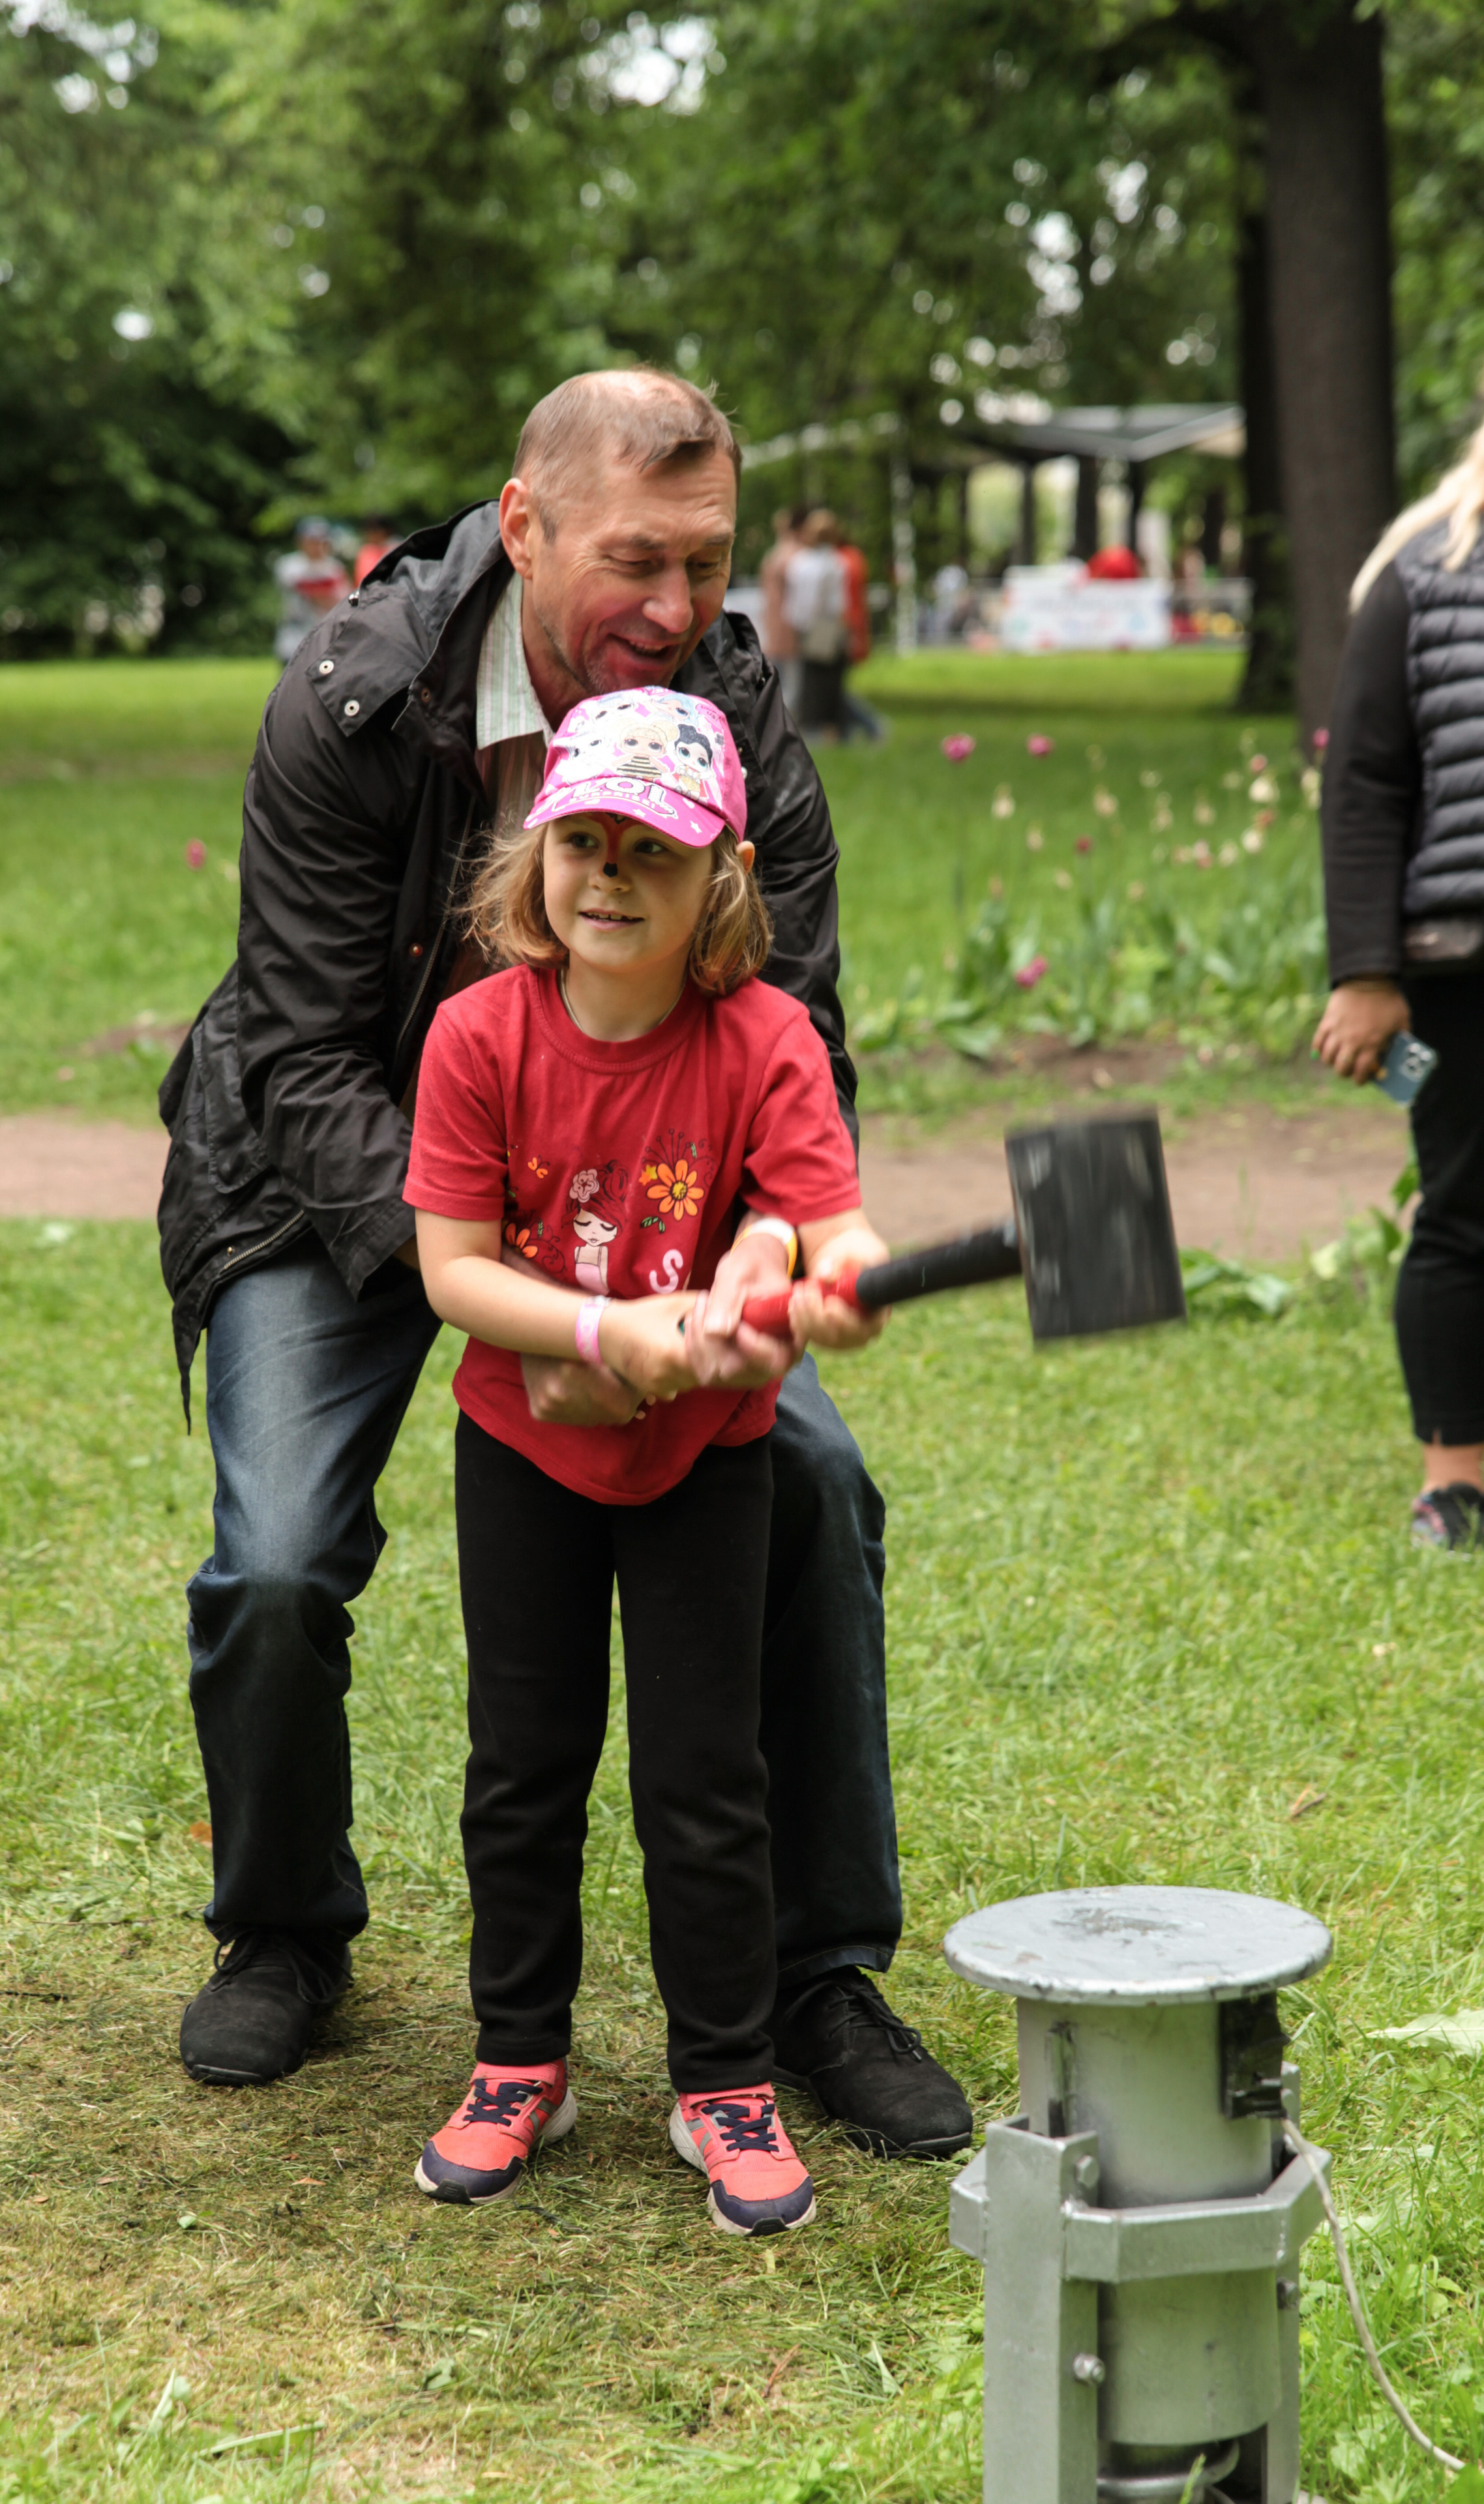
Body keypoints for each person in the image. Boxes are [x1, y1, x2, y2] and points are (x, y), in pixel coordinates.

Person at [157, 366, 973, 2162]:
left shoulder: (737, 712)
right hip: (349, 1182)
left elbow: (796, 1039)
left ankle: (818, 1974)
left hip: (658, 1207)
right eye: (635, 561)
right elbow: (298, 1053)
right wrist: (540, 1301)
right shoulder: (350, 695)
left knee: (817, 1486)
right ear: (522, 530)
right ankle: (283, 1928)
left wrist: (752, 1260)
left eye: (707, 562)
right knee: (276, 1558)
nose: (677, 609)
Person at [405, 689, 890, 2236]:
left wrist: (824, 1279)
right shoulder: (478, 1034)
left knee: (705, 1775)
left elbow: (827, 1221)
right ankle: (516, 2056)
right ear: (535, 853)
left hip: (705, 1459)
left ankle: (723, 2079)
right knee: (522, 1767)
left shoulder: (762, 1039)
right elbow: (451, 1270)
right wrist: (607, 1331)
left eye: (651, 854)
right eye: (583, 844)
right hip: (521, 1451)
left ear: (721, 877)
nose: (608, 878)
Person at [1313, 399, 1484, 1551]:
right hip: (1464, 964)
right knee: (1465, 1214)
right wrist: (1365, 973)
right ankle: (1455, 1482)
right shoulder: (1424, 575)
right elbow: (1365, 783)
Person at [783, 509, 849, 741]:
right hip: (828, 628)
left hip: (806, 628)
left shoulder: (800, 562)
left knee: (809, 681)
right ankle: (830, 730)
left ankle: (813, 728)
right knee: (830, 684)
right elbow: (838, 604)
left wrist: (798, 626)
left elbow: (796, 603)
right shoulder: (837, 563)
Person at [273, 518, 348, 664]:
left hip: (325, 633)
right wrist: (326, 594)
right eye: (312, 540)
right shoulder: (290, 564)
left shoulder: (334, 567)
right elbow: (308, 590)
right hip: (295, 632)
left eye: (321, 540)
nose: (316, 545)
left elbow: (344, 600)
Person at [837, 530, 887, 743]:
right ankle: (846, 733)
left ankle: (871, 725)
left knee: (835, 689)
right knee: (836, 687)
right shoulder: (854, 557)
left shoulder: (842, 561)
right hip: (854, 627)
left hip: (845, 629)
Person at [759, 506, 805, 723]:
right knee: (793, 681)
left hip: (773, 621)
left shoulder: (773, 555)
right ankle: (784, 724)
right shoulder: (795, 554)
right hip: (788, 624)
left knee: (777, 678)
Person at [354, 516, 398, 588]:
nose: (372, 534)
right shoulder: (366, 552)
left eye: (375, 530)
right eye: (370, 531)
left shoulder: (395, 549)